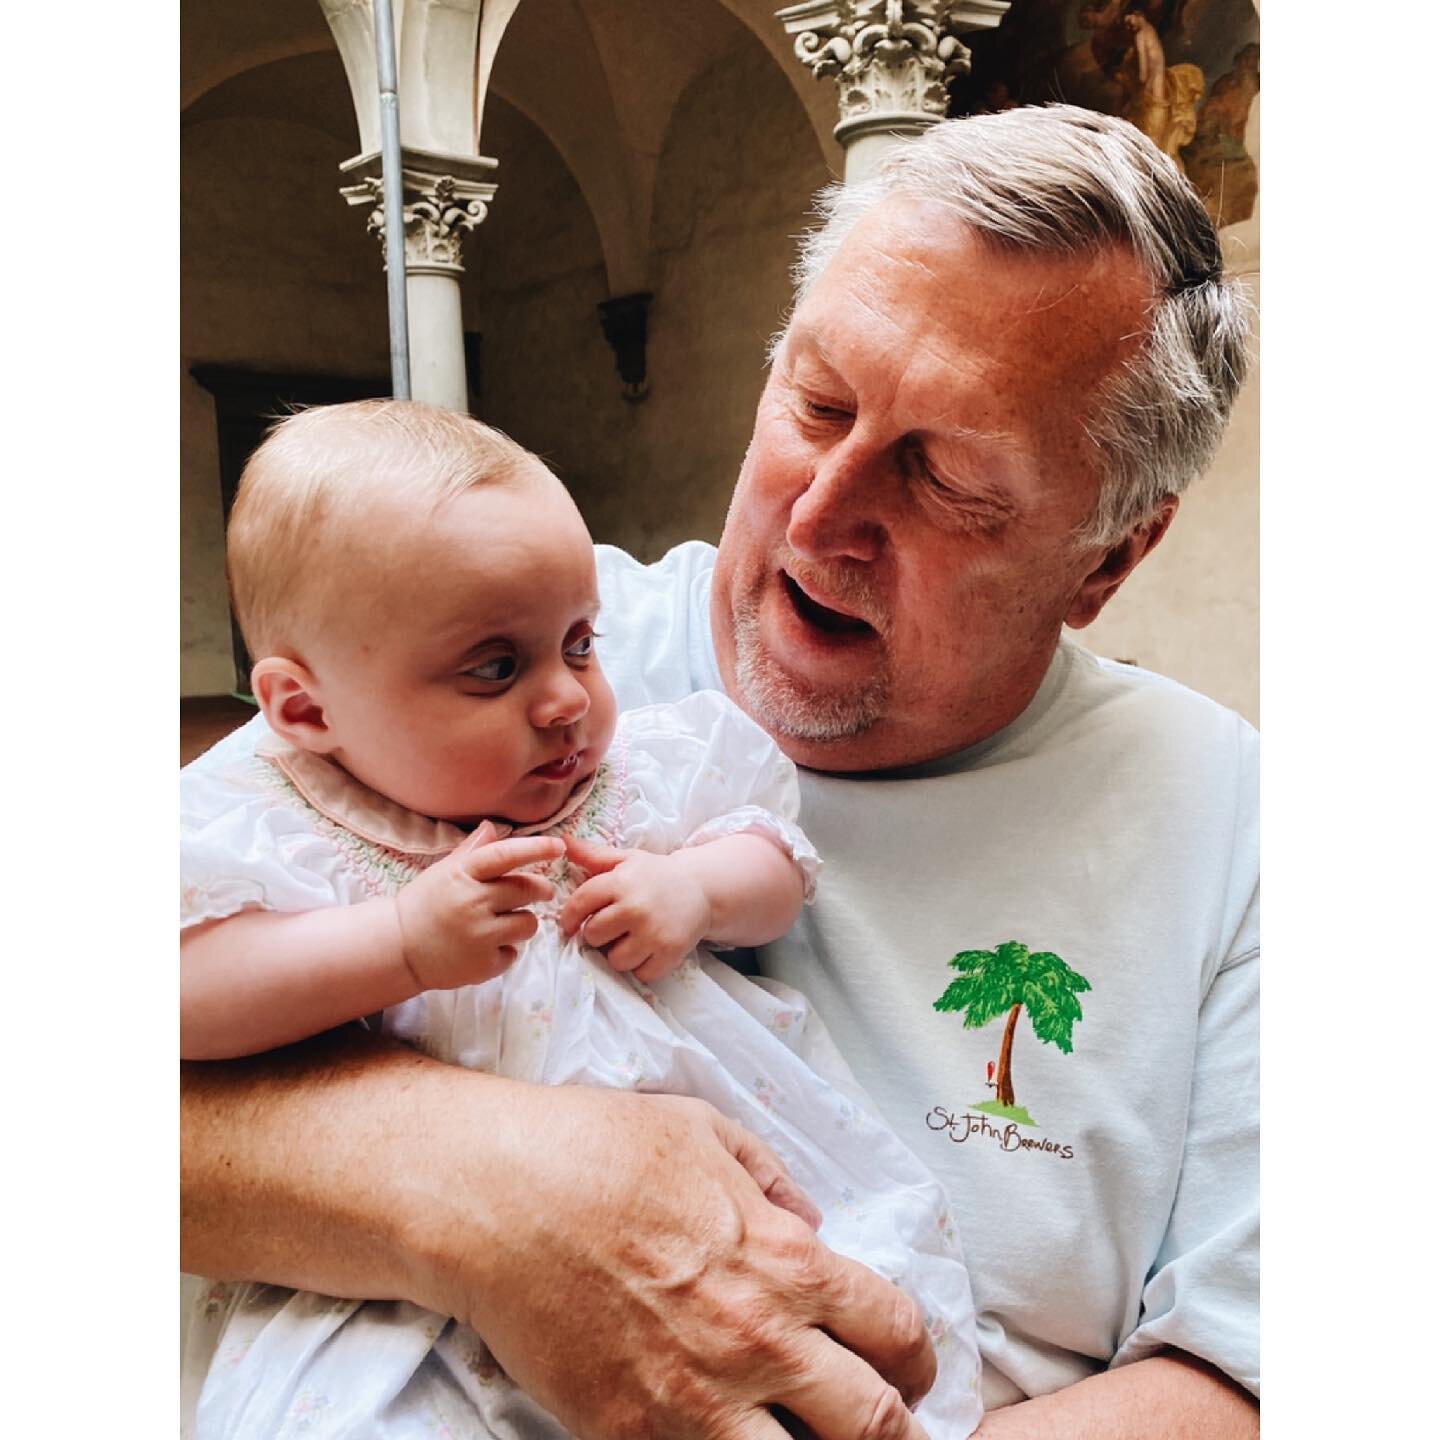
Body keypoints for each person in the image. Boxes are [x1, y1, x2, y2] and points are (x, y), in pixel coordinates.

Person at [182, 105, 1258, 1438]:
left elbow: (1250, 1373)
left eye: (946, 478)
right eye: (819, 403)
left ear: (1106, 561)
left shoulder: (1244, 833)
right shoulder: (448, 656)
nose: (822, 514)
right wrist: (473, 1187)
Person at [180, 402, 985, 1438]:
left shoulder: (632, 775)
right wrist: (399, 945)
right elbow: (188, 997)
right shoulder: (277, 825)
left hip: (728, 1195)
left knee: (841, 1303)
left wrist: (695, 892)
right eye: (494, 667)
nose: (565, 700)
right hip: (404, 1274)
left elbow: (778, 861)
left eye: (579, 644)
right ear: (304, 709)